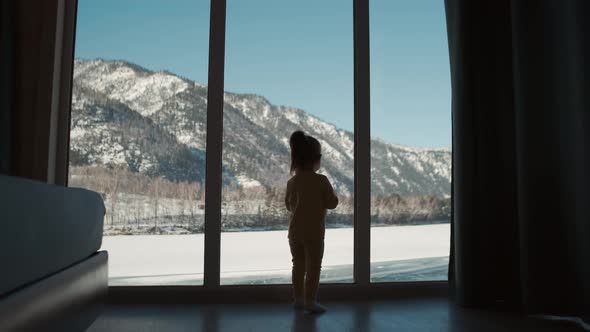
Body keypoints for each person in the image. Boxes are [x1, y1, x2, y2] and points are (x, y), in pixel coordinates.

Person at [285, 130, 338, 314]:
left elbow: (288, 205)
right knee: (313, 267)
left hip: (294, 233)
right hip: (314, 234)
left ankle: (298, 299)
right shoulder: (321, 181)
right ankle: (310, 301)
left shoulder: (292, 182)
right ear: (316, 159)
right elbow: (332, 203)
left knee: (297, 265)